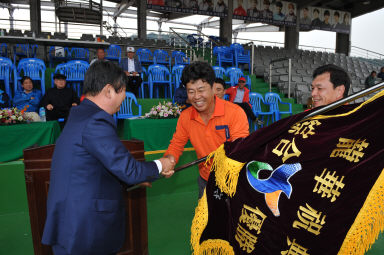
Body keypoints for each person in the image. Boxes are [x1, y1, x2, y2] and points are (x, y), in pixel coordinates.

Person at [41, 61, 175, 255]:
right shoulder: (96, 120)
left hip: (69, 221)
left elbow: (92, 165)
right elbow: (129, 170)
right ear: (109, 90)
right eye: (123, 92)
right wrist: (161, 165)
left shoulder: (80, 114)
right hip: (84, 228)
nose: (123, 100)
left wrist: (133, 179)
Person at [164, 62, 249, 198]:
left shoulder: (235, 112)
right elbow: (176, 144)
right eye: (191, 91)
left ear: (212, 87)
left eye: (201, 90)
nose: (196, 96)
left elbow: (241, 149)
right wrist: (169, 160)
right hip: (205, 181)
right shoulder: (186, 117)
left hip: (233, 181)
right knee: (205, 219)